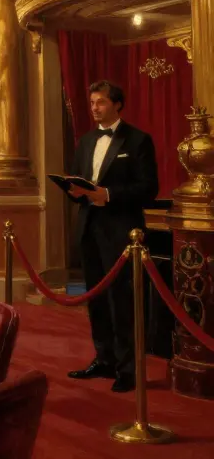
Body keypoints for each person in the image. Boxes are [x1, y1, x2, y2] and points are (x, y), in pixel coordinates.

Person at [65, 80, 158, 393]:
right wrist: (75, 191)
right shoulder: (86, 141)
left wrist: (109, 194)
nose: (94, 108)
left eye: (101, 102)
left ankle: (128, 369)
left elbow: (149, 189)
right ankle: (103, 359)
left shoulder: (138, 140)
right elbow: (79, 183)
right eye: (92, 102)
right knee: (97, 298)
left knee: (123, 301)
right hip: (89, 229)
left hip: (122, 232)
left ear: (117, 104)